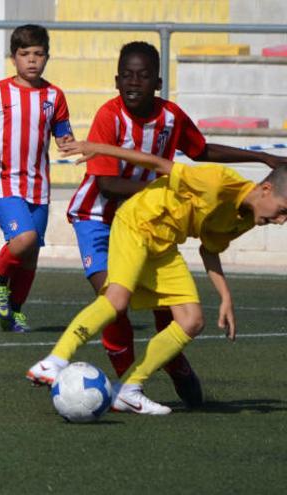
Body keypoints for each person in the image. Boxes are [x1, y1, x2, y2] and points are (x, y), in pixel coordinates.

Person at [66, 41, 287, 407]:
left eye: (144, 76)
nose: (134, 83)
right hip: (97, 218)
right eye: (128, 76)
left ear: (158, 81)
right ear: (117, 80)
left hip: (148, 222)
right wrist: (168, 191)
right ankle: (126, 384)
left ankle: (173, 362)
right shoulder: (109, 116)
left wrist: (259, 155)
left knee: (164, 307)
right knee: (114, 301)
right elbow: (107, 184)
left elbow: (200, 150)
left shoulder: (170, 117)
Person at [27, 140, 287, 415]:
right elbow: (158, 164)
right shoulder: (217, 181)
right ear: (266, 189)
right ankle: (55, 361)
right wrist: (97, 148)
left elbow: (209, 249)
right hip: (137, 222)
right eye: (282, 210)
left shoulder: (245, 219)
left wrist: (225, 296)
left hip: (165, 244)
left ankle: (128, 389)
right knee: (116, 300)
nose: (282, 221)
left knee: (192, 320)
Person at [0, 24, 74, 333]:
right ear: (13, 58)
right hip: (3, 179)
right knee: (23, 239)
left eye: (38, 54)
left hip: (38, 184)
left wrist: (75, 145)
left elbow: (62, 133)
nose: (31, 60)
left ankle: (13, 312)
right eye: (24, 53)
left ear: (47, 57)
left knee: (31, 254)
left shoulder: (54, 96)